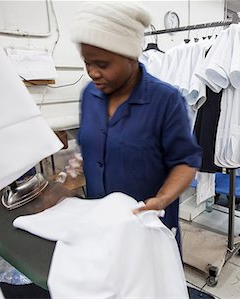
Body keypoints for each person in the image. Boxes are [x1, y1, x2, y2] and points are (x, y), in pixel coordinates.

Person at [70, 1, 201, 243]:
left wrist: (162, 199)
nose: (92, 72)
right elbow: (90, 145)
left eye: (102, 64)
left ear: (130, 55)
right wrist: (78, 163)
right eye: (87, 62)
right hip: (100, 221)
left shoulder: (166, 100)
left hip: (147, 226)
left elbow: (185, 162)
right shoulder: (90, 95)